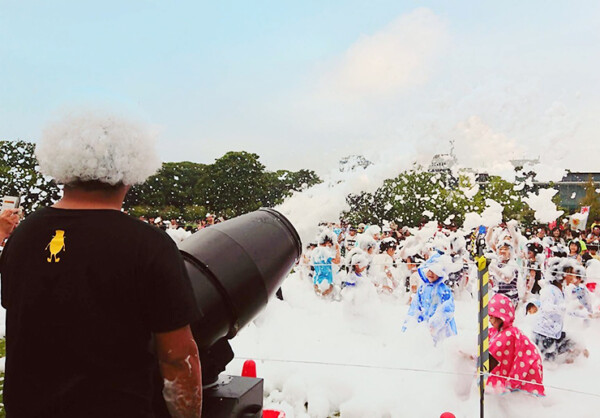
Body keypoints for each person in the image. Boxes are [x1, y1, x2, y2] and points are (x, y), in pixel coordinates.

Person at [0, 113, 202, 418]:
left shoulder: (24, 234)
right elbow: (177, 358)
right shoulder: (148, 245)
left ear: (63, 168)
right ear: (131, 170)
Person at [487, 294, 545, 396]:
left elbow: (493, 353)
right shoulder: (500, 330)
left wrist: (475, 360)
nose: (489, 320)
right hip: (521, 369)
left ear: (501, 318)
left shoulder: (509, 334)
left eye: (492, 317)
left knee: (520, 398)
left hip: (527, 370)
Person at [402, 253, 457, 345]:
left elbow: (447, 309)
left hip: (443, 329)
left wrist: (436, 323)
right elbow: (415, 307)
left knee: (441, 348)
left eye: (435, 271)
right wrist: (410, 323)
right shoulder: (422, 289)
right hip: (425, 327)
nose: (430, 273)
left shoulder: (444, 290)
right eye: (429, 270)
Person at [310, 229, 341, 296]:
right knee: (326, 302)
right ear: (327, 242)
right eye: (331, 243)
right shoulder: (325, 251)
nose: (331, 245)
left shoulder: (315, 251)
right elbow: (337, 261)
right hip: (326, 281)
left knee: (319, 301)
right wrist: (337, 249)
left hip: (316, 280)